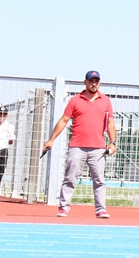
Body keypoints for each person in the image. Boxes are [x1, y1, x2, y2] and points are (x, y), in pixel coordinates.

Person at [43, 70, 116, 219]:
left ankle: (101, 209)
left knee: (99, 180)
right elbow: (64, 120)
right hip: (77, 146)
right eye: (91, 81)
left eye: (96, 81)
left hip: (98, 148)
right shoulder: (75, 100)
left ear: (99, 82)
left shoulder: (106, 100)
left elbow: (110, 122)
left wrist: (112, 142)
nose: (94, 84)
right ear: (85, 82)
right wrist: (51, 139)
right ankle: (64, 207)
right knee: (70, 177)